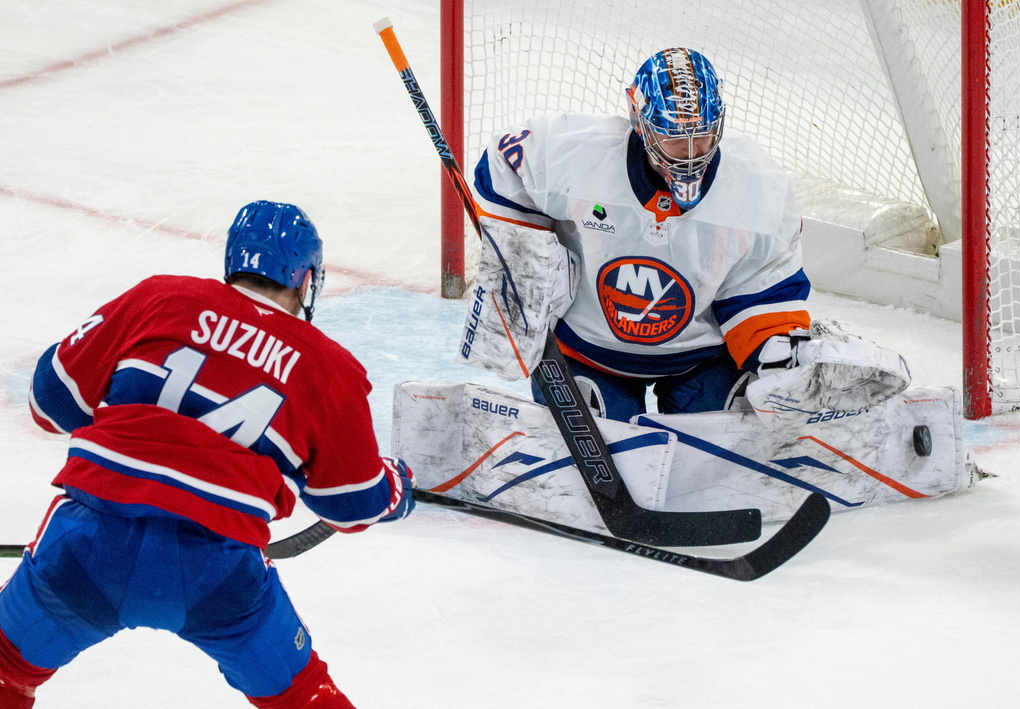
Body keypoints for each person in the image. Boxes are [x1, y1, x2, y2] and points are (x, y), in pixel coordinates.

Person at [0, 201, 415, 709]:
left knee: (5, 670)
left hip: (88, 547)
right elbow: (353, 505)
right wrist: (398, 486)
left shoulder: (159, 297)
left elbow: (49, 404)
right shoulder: (328, 366)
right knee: (305, 697)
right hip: (218, 574)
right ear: (306, 280)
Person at [464, 47, 817, 422]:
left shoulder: (757, 185)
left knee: (718, 459)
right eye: (674, 137)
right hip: (588, 350)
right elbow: (504, 166)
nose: (691, 153)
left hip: (701, 359)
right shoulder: (577, 153)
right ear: (640, 121)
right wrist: (521, 264)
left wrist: (781, 359)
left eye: (704, 135)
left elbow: (764, 284)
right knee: (595, 447)